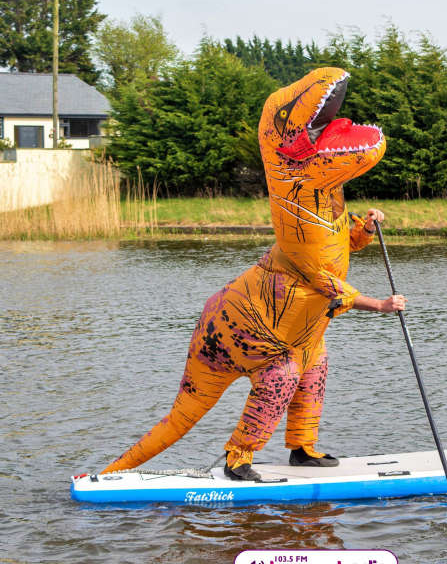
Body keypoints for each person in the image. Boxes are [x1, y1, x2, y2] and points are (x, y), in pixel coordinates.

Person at [102, 67, 404, 480]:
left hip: (297, 329)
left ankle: (302, 447)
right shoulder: (296, 212)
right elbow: (326, 281)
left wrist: (363, 230)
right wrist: (380, 305)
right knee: (282, 373)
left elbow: (339, 246)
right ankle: (239, 458)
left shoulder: (324, 198)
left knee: (314, 363)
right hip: (243, 327)